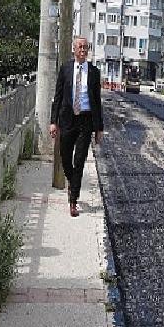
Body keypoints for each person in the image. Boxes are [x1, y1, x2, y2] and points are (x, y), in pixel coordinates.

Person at [49, 37, 104, 217]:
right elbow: (58, 97)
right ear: (74, 49)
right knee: (65, 157)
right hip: (67, 119)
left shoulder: (94, 72)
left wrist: (99, 129)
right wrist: (53, 122)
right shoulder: (65, 69)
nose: (83, 50)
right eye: (80, 47)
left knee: (79, 161)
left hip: (86, 121)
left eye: (86, 47)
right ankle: (72, 182)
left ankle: (73, 200)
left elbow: (97, 101)